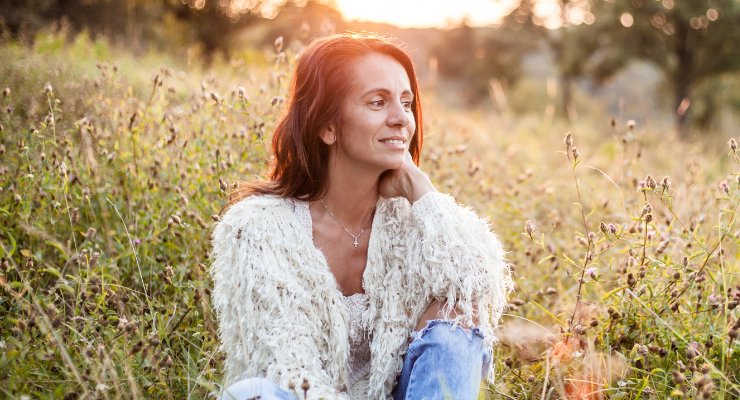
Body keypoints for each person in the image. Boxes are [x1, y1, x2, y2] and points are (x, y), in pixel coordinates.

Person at [210, 33, 513, 400]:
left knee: (459, 318)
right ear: (327, 126)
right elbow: (290, 372)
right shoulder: (258, 229)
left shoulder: (414, 221)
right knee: (252, 393)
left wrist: (422, 190)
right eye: (377, 102)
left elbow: (479, 287)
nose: (402, 119)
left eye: (406, 102)